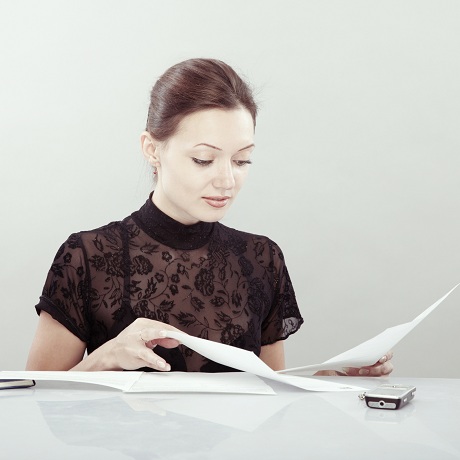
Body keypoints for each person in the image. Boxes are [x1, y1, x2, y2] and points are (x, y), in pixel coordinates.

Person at [26, 58, 393, 377]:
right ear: (152, 149)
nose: (227, 180)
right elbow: (36, 403)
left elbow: (274, 404)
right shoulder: (87, 256)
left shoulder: (261, 259)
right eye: (203, 159)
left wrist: (331, 380)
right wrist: (105, 358)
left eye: (242, 160)